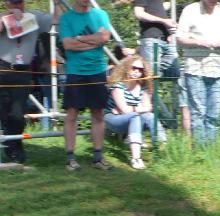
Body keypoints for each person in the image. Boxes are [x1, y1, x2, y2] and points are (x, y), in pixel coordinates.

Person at [58, 0, 113, 171]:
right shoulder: (67, 18)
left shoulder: (101, 14)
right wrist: (93, 40)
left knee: (98, 114)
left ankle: (97, 157)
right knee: (72, 114)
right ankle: (70, 158)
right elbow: (68, 44)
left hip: (97, 70)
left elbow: (104, 37)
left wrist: (79, 39)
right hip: (76, 72)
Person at [175, 0, 220, 145]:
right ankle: (200, 152)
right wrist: (199, 42)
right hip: (195, 68)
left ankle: (210, 151)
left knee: (213, 115)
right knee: (198, 113)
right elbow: (179, 38)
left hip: (218, 68)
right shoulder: (190, 10)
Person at [0, 0, 52, 163]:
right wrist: (6, 20)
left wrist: (57, 4)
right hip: (3, 68)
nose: (17, 5)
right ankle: (11, 148)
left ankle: (16, 145)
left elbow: (55, 20)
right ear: (7, 4)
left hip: (23, 71)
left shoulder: (34, 16)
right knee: (4, 112)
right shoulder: (2, 17)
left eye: (19, 2)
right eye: (13, 3)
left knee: (18, 113)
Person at [133, 0, 189, 130]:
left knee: (176, 74)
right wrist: (164, 21)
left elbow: (164, 7)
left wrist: (170, 29)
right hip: (151, 40)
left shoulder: (158, 2)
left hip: (165, 41)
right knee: (150, 84)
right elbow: (138, 13)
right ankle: (150, 123)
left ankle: (168, 120)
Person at [105, 54, 165, 169]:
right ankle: (136, 158)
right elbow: (125, 110)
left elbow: (148, 108)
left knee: (150, 116)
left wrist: (132, 108)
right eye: (134, 68)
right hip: (112, 119)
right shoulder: (118, 86)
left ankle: (161, 147)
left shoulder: (143, 87)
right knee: (134, 116)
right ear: (126, 68)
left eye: (140, 69)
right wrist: (138, 107)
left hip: (131, 117)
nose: (136, 71)